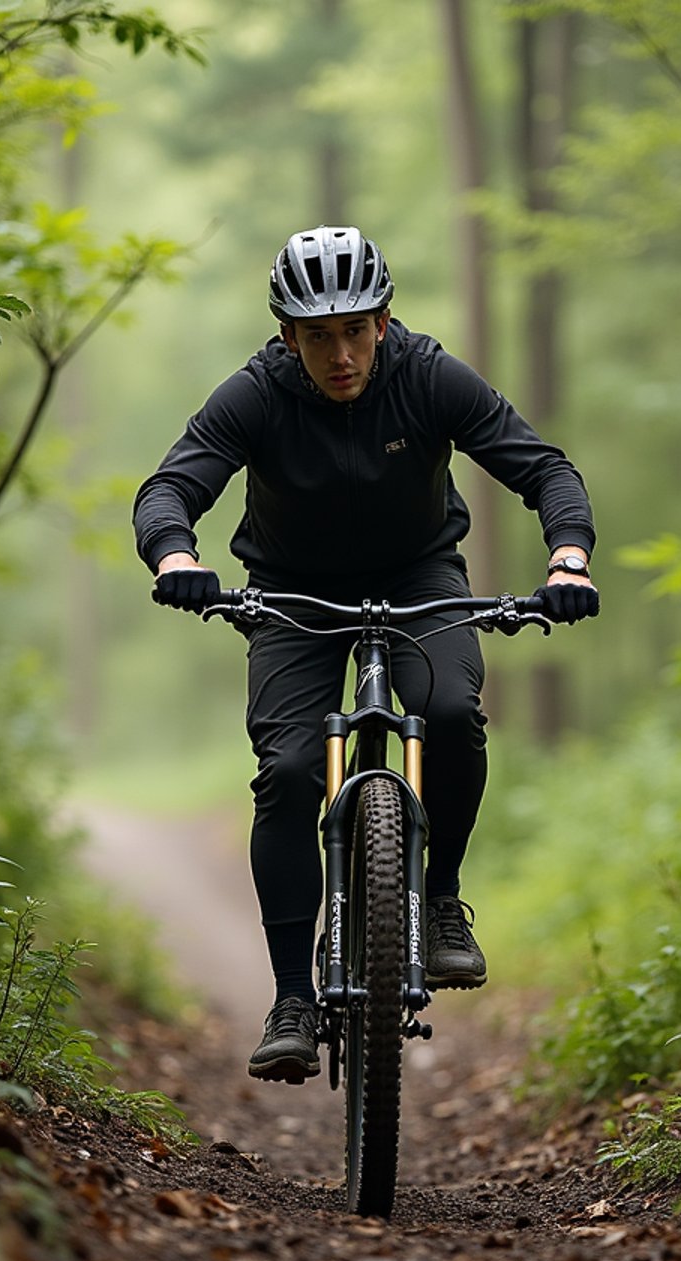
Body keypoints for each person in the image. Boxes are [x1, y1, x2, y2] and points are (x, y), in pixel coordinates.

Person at [134, 225, 598, 1084]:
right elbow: (172, 486)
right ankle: (291, 999)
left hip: (421, 576)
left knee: (453, 713)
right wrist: (178, 557)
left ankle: (443, 900)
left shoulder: (427, 375)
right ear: (288, 338)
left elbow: (545, 469)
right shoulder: (257, 394)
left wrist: (567, 557)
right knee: (290, 770)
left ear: (383, 322)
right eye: (318, 337)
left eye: (355, 330)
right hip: (289, 591)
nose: (339, 354)